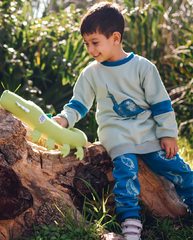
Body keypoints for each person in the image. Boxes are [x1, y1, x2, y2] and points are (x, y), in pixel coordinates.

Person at [53, 2, 193, 240]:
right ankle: (131, 221)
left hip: (148, 132)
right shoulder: (90, 73)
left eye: (95, 42)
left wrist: (168, 134)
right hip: (116, 134)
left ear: (115, 37)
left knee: (177, 168)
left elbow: (160, 103)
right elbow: (78, 104)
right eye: (86, 43)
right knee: (125, 173)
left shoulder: (143, 67)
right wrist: (62, 120)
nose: (90, 49)